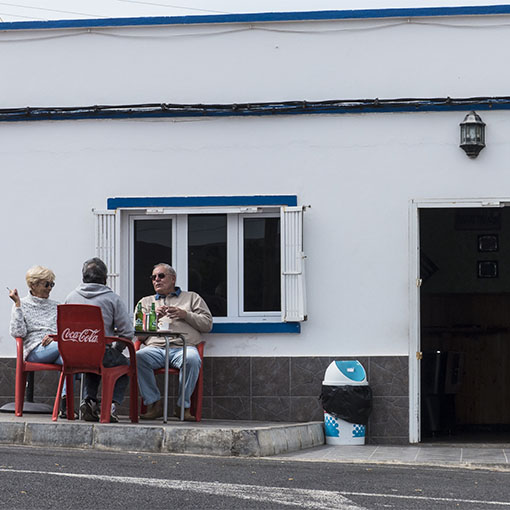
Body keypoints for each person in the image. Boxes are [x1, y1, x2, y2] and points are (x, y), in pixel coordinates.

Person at [135, 263, 212, 421]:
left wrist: (185, 314)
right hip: (156, 348)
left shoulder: (191, 297)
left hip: (183, 347)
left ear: (173, 279)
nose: (157, 280)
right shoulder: (145, 302)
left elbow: (207, 324)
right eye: (153, 277)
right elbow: (139, 336)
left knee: (192, 359)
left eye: (161, 276)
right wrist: (152, 318)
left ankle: (182, 406)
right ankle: (153, 403)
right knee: (138, 357)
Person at [65, 257, 133, 423]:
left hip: (73, 356)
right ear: (105, 278)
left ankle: (89, 401)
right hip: (100, 353)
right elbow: (127, 331)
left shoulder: (71, 297)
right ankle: (110, 406)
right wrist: (116, 350)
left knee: (92, 361)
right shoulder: (112, 299)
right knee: (125, 365)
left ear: (83, 277)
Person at [8, 265, 72, 417]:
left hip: (56, 346)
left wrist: (55, 336)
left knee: (69, 359)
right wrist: (17, 305)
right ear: (33, 285)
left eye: (52, 284)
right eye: (46, 284)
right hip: (35, 348)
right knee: (68, 348)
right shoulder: (21, 304)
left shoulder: (57, 306)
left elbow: (65, 331)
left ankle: (65, 403)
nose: (50, 288)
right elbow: (18, 332)